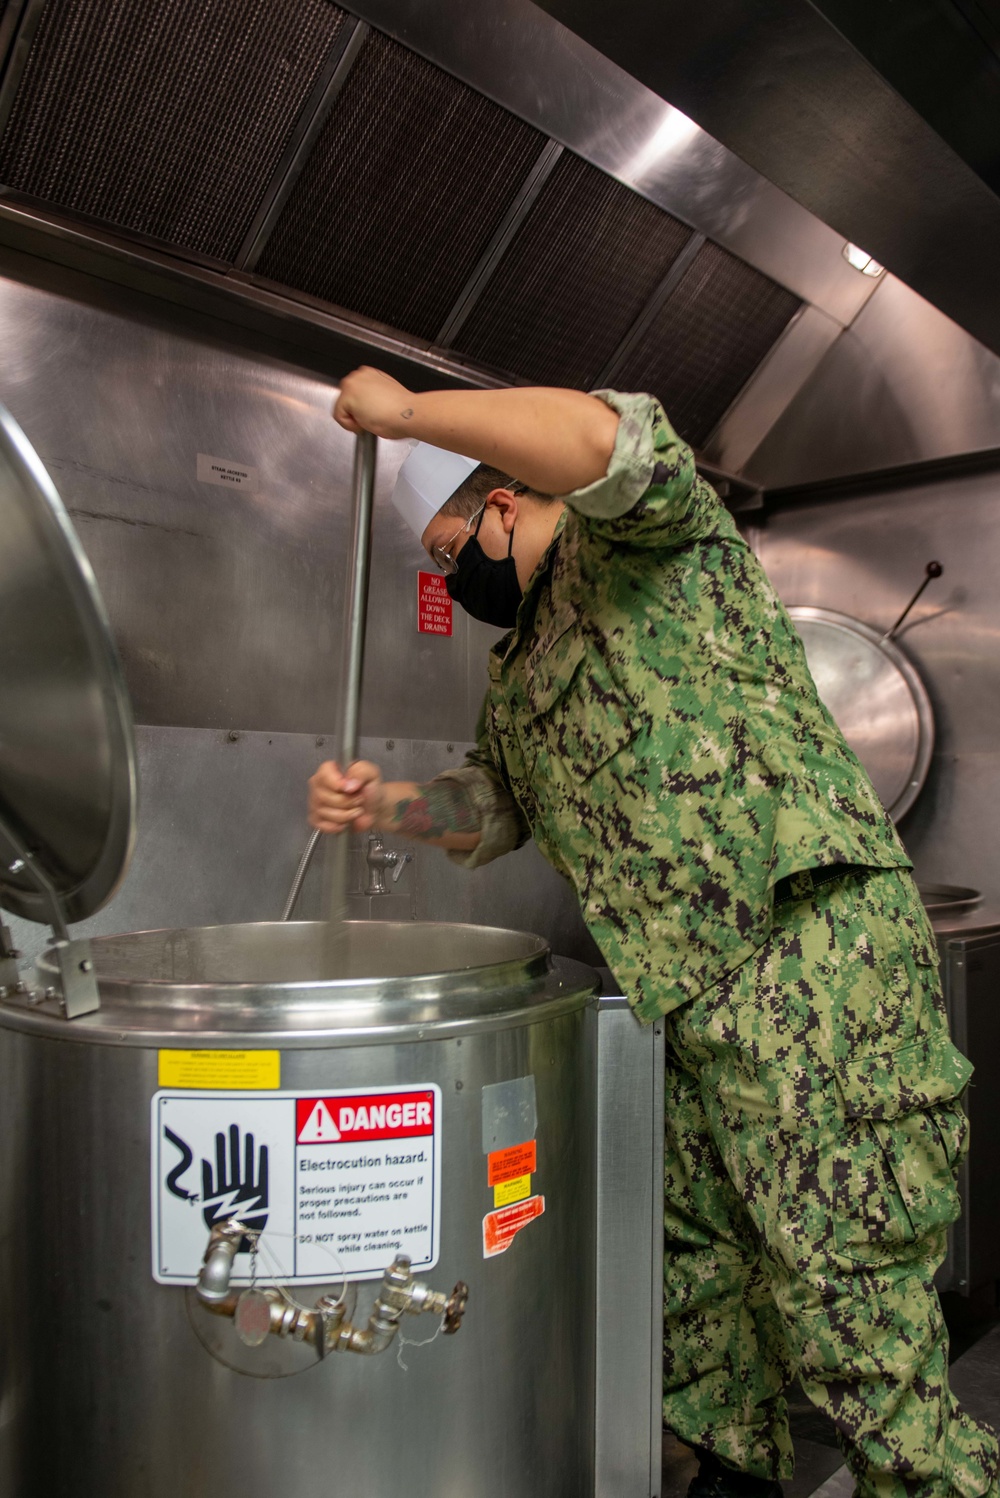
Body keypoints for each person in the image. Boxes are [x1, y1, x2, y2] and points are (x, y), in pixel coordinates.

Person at [309, 366, 997, 1498]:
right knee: (700, 1286)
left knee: (846, 1299)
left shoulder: (640, 539)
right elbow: (495, 804)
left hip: (805, 954)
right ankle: (736, 1476)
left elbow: (595, 433)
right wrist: (386, 805)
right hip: (681, 992)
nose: (452, 576)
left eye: (446, 549)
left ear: (501, 503)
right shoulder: (520, 669)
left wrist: (411, 415)